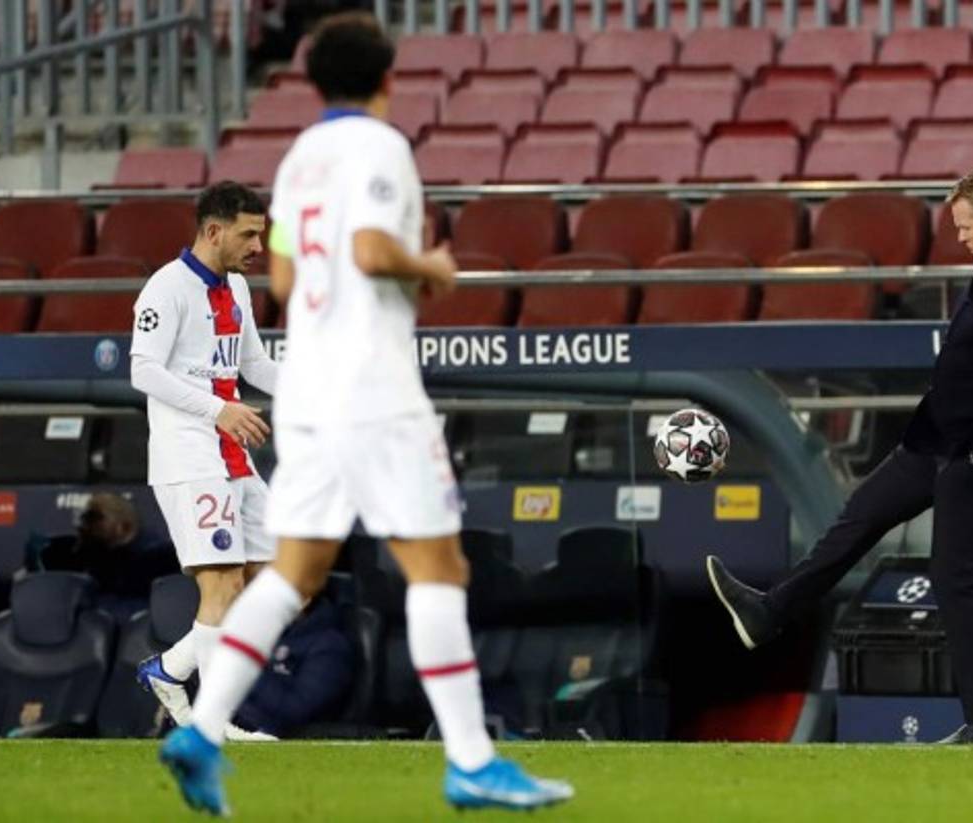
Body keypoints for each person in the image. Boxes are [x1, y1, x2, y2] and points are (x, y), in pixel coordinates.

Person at [159, 12, 573, 816]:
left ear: (315, 83)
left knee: (293, 574)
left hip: (310, 388)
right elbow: (374, 250)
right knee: (437, 567)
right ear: (389, 80)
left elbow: (280, 270)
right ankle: (473, 761)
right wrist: (432, 266)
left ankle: (203, 728)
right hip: (373, 390)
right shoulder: (380, 147)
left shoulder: (301, 157)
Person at [707, 165, 973, 745]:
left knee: (955, 580)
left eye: (966, 227)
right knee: (856, 520)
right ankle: (769, 611)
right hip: (936, 438)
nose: (961, 238)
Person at [130, 181, 279, 742]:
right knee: (221, 581)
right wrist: (219, 409)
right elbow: (142, 370)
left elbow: (255, 366)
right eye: (249, 234)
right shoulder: (165, 289)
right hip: (188, 456)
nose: (258, 246)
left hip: (232, 456)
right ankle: (214, 724)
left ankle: (171, 669)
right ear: (214, 231)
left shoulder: (236, 288)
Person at [37, 492, 178, 621]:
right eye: (85, 518)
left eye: (94, 518)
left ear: (124, 527)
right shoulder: (76, 556)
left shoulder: (160, 562)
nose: (84, 526)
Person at [232, 594, 356, 739]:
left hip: (280, 743)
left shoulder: (331, 646)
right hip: (234, 726)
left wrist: (246, 666)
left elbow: (294, 713)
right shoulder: (270, 630)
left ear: (305, 597)